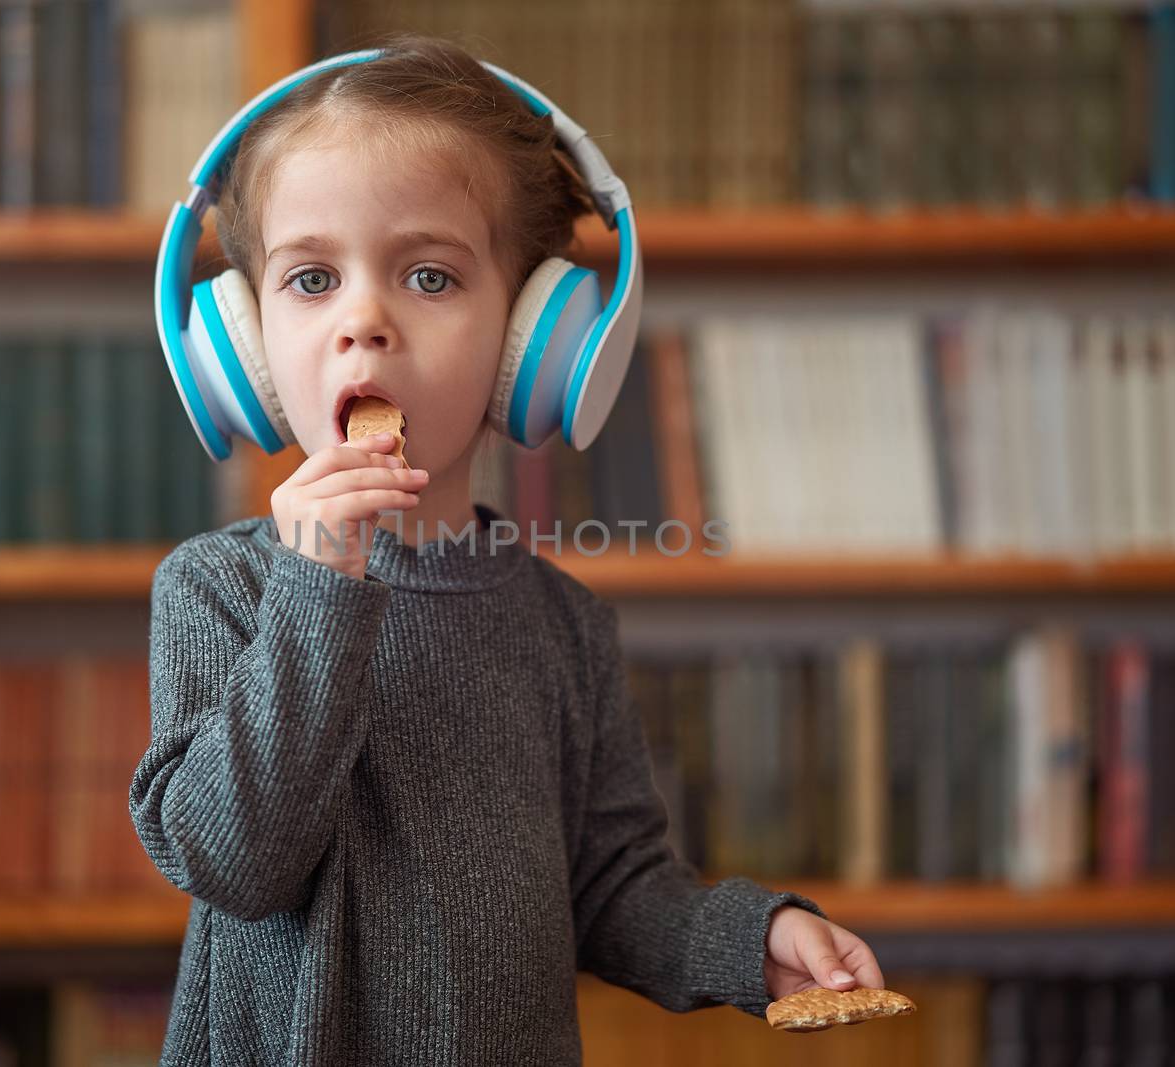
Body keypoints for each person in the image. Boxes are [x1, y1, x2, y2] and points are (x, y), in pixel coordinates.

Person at [129, 31, 885, 1066]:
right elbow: (232, 856)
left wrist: (745, 940)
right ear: (245, 344)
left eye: (429, 276)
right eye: (310, 280)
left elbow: (613, 886)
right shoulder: (220, 588)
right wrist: (317, 589)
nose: (364, 320)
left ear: (532, 339)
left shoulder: (563, 625)